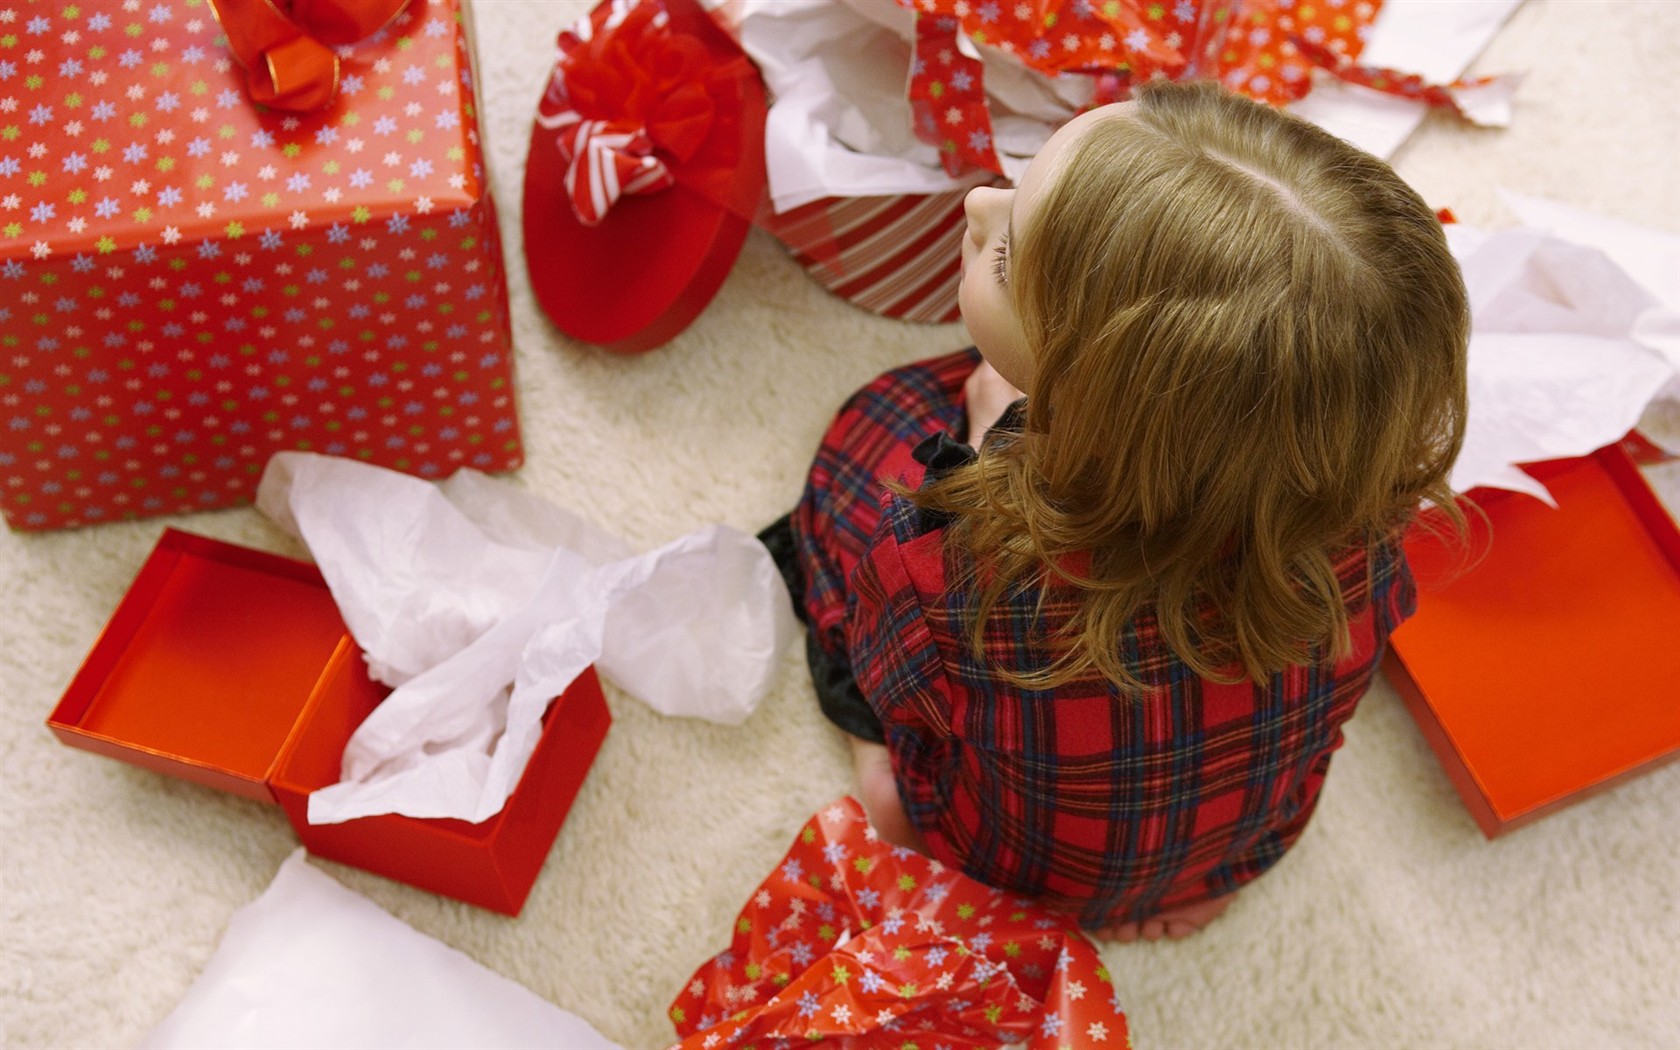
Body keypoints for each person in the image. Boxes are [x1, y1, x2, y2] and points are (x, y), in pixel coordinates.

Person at [761, 79, 1468, 941]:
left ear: (1105, 405)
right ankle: (1179, 890)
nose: (981, 203)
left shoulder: (954, 581)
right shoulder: (1372, 524)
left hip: (1006, 867)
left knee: (871, 439)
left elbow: (892, 685)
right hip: (1238, 852)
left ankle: (888, 799)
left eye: (1009, 258)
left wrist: (987, 447)